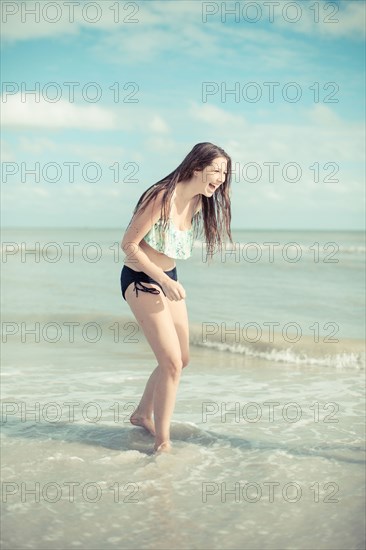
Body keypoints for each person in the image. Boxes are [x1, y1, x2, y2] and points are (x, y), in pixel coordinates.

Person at [119, 142, 233, 453]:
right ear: (197, 167)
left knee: (182, 359)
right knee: (170, 363)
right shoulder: (160, 196)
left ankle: (141, 413)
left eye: (225, 173)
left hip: (168, 279)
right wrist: (161, 281)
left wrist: (168, 282)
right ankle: (162, 442)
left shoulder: (198, 202)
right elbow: (129, 244)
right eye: (217, 171)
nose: (222, 178)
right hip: (142, 279)